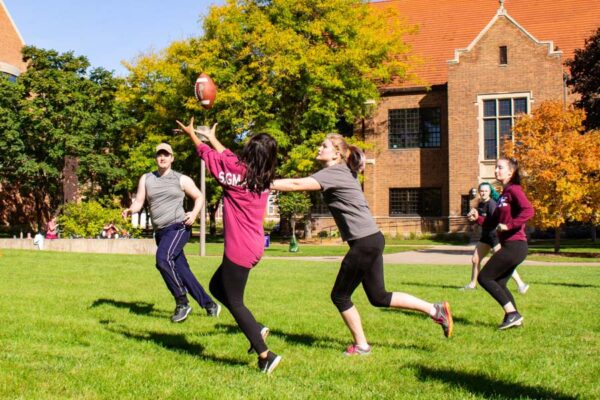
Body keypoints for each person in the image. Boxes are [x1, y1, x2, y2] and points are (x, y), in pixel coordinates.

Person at [270, 133, 453, 356]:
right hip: (372, 239)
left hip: (365, 242)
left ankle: (362, 346)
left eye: (324, 145)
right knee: (378, 297)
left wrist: (264, 183)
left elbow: (297, 183)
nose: (319, 148)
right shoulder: (344, 171)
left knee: (340, 296)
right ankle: (435, 310)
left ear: (336, 153)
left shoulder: (335, 172)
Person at [176, 118, 281, 374]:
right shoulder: (262, 177)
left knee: (235, 302)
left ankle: (266, 355)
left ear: (250, 154)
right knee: (215, 286)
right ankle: (256, 330)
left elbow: (207, 155)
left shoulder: (234, 173)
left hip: (239, 249)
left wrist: (193, 135)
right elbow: (226, 156)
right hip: (254, 245)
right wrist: (211, 137)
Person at [122, 143, 220, 323]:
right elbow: (139, 201)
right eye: (159, 154)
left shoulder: (181, 179)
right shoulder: (147, 178)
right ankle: (210, 305)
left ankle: (182, 302)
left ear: (172, 158)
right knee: (183, 271)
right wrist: (131, 210)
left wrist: (194, 213)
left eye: (166, 154)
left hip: (178, 227)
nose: (162, 157)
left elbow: (199, 196)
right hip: (161, 232)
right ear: (156, 158)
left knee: (162, 259)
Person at [472, 158, 534, 330]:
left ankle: (512, 314)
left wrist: (510, 225)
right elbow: (492, 222)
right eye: (495, 168)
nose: (496, 171)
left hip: (516, 245)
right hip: (511, 246)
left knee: (484, 278)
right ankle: (514, 318)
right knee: (498, 282)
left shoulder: (514, 190)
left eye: (500, 167)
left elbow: (528, 210)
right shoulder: (503, 195)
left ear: (510, 172)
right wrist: (478, 219)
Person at [464, 182, 529, 293]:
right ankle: (472, 284)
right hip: (485, 236)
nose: (483, 193)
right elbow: (482, 220)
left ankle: (521, 285)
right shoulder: (480, 204)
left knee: (503, 262)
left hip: (494, 237)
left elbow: (492, 223)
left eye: (486, 191)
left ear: (490, 192)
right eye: (481, 191)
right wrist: (474, 218)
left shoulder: (492, 204)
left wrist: (477, 219)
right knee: (475, 259)